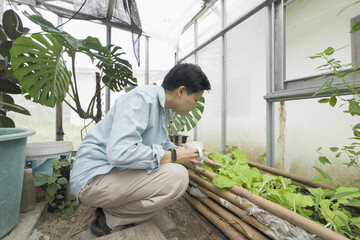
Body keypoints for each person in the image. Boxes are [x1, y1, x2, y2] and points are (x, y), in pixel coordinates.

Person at [70, 63, 211, 237]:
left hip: (109, 174)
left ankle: (112, 210)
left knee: (172, 170)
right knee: (177, 178)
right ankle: (110, 218)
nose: (195, 105)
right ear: (181, 91)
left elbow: (162, 145)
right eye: (196, 99)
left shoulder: (161, 108)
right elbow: (120, 152)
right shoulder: (140, 100)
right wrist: (174, 156)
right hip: (92, 179)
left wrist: (188, 154)